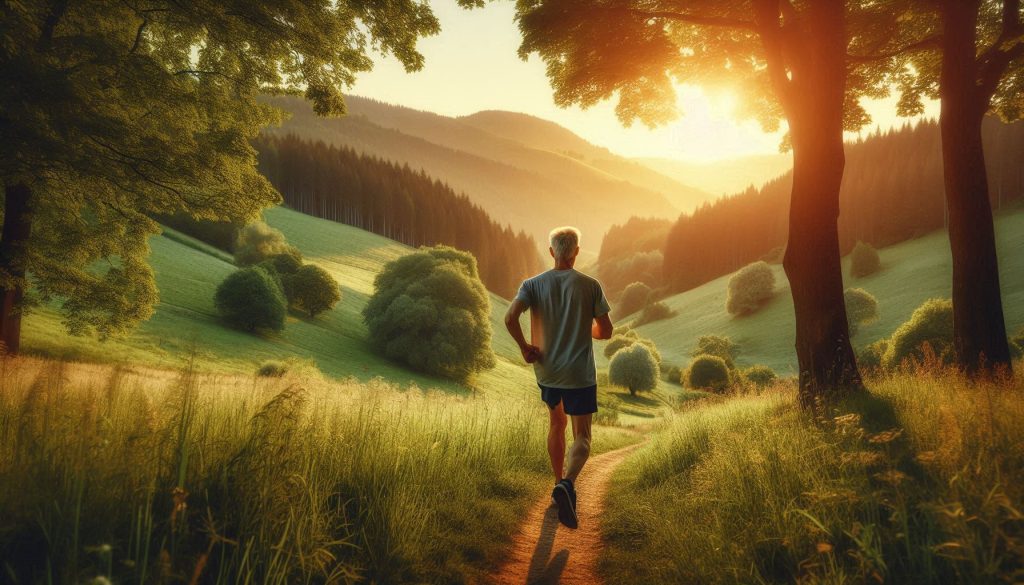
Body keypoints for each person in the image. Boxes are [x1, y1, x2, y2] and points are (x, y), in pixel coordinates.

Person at [504, 226, 613, 529]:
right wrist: (585, 328)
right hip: (579, 373)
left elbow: (510, 318)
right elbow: (606, 331)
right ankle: (567, 483)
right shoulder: (591, 286)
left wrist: (525, 348)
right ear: (576, 252)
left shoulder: (532, 284)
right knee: (583, 436)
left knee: (556, 423)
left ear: (552, 252)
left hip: (548, 372)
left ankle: (557, 485)